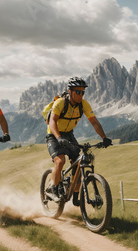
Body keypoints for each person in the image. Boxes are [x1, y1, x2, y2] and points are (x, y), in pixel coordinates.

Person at [45, 77, 112, 206]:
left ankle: (75, 197)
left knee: (79, 162)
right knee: (60, 161)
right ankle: (52, 188)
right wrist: (59, 138)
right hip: (54, 134)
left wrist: (104, 138)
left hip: (69, 134)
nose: (81, 95)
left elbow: (94, 122)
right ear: (70, 92)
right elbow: (52, 122)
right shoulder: (60, 103)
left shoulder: (84, 105)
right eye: (78, 92)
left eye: (83, 92)